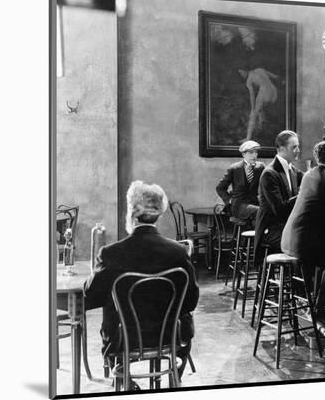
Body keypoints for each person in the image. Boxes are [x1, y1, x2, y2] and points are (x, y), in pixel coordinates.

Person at [84, 181, 199, 389]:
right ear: (159, 213)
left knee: (110, 309)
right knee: (185, 319)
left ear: (131, 213)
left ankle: (126, 381)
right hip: (171, 335)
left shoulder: (111, 253)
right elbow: (191, 302)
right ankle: (174, 379)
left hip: (123, 338)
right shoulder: (178, 252)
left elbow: (90, 298)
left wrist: (96, 273)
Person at [281, 140, 325, 322]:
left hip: (290, 238)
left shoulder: (310, 174)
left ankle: (322, 306)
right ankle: (318, 309)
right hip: (304, 242)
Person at [255, 130, 302, 256]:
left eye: (298, 146)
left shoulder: (293, 170)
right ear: (282, 148)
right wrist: (303, 195)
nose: (298, 150)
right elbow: (279, 210)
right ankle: (301, 275)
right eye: (294, 147)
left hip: (286, 227)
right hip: (271, 230)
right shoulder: (269, 174)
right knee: (306, 241)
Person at [216, 140, 265, 222]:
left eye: (256, 152)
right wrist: (229, 200)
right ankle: (258, 234)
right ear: (243, 154)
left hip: (254, 203)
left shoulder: (260, 167)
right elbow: (220, 188)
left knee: (269, 211)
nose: (254, 155)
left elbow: (266, 185)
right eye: (251, 153)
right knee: (259, 211)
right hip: (239, 205)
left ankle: (259, 234)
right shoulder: (234, 168)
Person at [239, 68, 279, 141]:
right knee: (260, 110)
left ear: (245, 70)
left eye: (241, 72)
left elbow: (252, 95)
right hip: (274, 92)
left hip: (265, 93)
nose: (241, 75)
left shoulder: (249, 81)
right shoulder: (260, 69)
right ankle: (261, 119)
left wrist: (252, 108)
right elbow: (275, 77)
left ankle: (248, 137)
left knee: (253, 115)